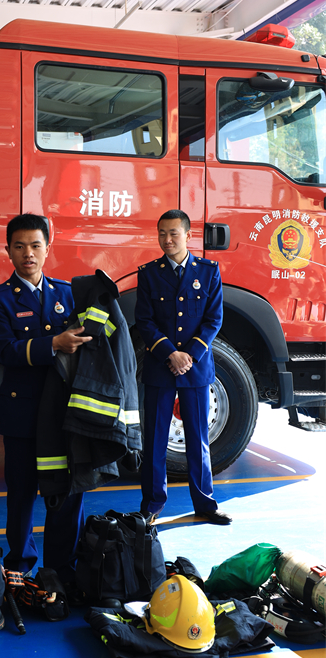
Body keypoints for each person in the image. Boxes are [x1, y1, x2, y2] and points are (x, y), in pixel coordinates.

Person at [0, 213, 92, 587]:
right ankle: (21, 561)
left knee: (66, 491)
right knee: (23, 492)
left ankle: (63, 564)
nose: (28, 253)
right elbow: (6, 351)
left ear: (48, 248)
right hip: (23, 414)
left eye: (35, 245)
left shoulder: (66, 294)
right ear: (8, 250)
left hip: (63, 414)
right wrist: (54, 344)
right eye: (19, 246)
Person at [135, 210, 232, 525]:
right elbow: (144, 321)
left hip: (196, 367)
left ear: (189, 235)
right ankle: (151, 504)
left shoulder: (208, 271)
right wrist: (169, 353)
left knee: (198, 438)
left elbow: (213, 319)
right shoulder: (149, 273)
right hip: (161, 367)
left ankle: (205, 503)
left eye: (174, 233)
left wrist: (189, 354)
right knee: (155, 440)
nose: (167, 240)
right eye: (162, 233)